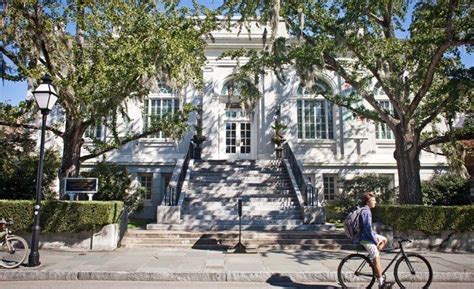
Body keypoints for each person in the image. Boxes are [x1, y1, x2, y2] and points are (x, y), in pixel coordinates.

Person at [355, 192, 390, 288]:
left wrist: (376, 238)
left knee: (384, 239)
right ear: (367, 202)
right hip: (365, 238)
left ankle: (374, 264)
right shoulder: (366, 211)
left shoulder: (367, 210)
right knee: (377, 257)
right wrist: (375, 240)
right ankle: (381, 283)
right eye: (373, 200)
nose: (375, 202)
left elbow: (369, 229)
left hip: (367, 235)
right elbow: (367, 230)